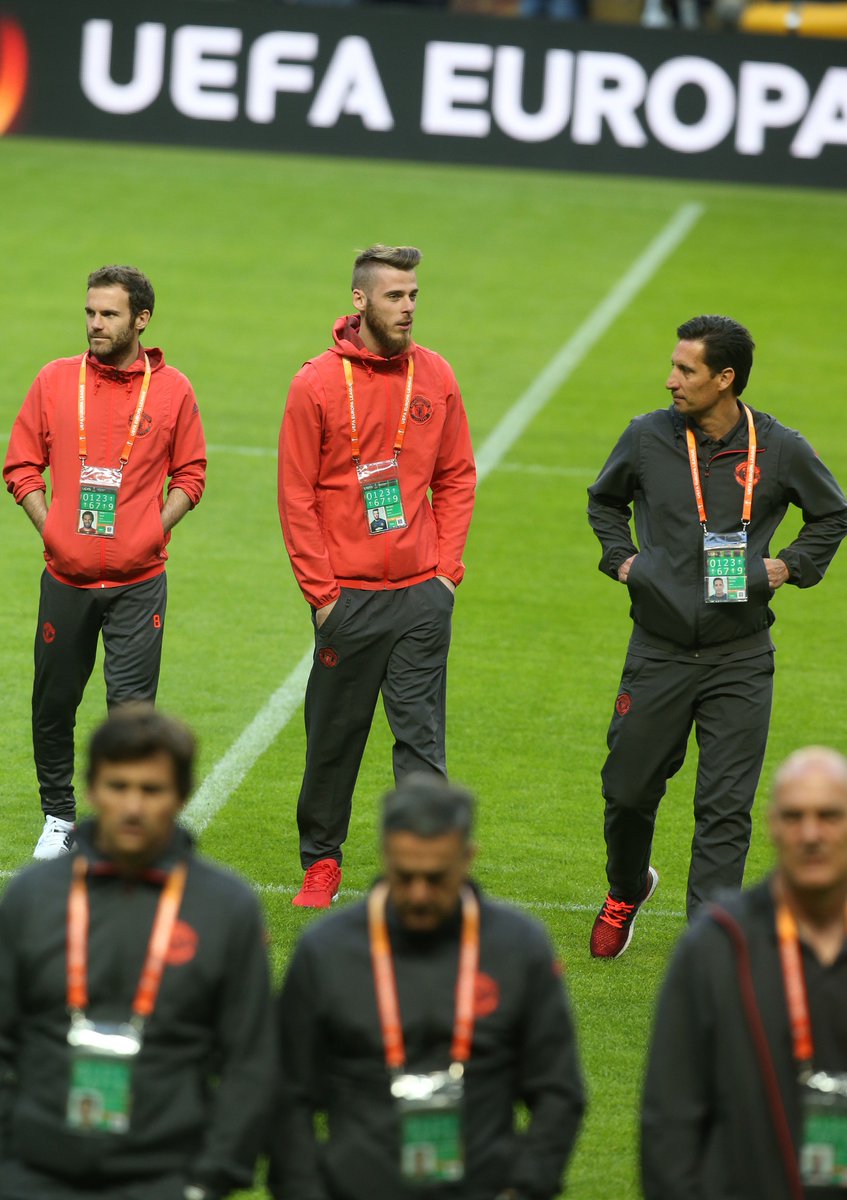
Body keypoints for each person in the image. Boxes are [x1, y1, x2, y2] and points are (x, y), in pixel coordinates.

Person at [587, 314, 847, 958]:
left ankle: (708, 951)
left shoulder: (779, 447)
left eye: (686, 370)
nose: (670, 380)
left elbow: (832, 512)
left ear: (725, 378)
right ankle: (627, 887)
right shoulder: (646, 436)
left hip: (740, 657)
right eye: (674, 366)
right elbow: (605, 501)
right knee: (627, 792)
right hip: (658, 651)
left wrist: (787, 567)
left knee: (725, 810)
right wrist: (623, 561)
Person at [0, 704, 275, 1200]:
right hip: (36, 1178)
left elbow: (251, 1060)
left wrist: (208, 1179)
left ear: (181, 795)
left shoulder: (226, 908)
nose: (132, 807)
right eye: (118, 786)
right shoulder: (32, 896)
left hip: (165, 1179)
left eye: (151, 790)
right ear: (91, 789)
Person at [267, 775, 585, 1200]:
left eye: (436, 878)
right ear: (385, 855)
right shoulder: (327, 950)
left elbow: (558, 1091)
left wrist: (525, 1189)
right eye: (405, 876)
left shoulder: (517, 948)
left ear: (467, 858)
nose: (419, 894)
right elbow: (287, 1093)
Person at [278, 244, 476, 908]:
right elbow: (297, 495)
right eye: (395, 296)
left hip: (420, 595)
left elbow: (456, 477)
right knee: (333, 738)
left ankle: (425, 869)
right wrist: (323, 596)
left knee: (421, 744)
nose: (408, 307)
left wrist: (444, 573)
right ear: (360, 301)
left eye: (413, 295)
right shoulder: (315, 383)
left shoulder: (436, 375)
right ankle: (321, 862)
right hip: (349, 600)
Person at [3, 265, 206, 861]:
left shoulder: (173, 390)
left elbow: (191, 474)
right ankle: (58, 817)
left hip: (138, 582)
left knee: (132, 715)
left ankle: (124, 823)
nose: (95, 323)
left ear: (141, 320)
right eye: (90, 312)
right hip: (66, 578)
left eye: (109, 314)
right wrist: (53, 528)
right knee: (53, 702)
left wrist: (152, 530)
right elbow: (21, 465)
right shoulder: (54, 380)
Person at [641, 746, 847, 1199]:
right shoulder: (717, 946)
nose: (811, 833)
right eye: (794, 816)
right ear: (772, 825)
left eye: (829, 816)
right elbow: (669, 1115)